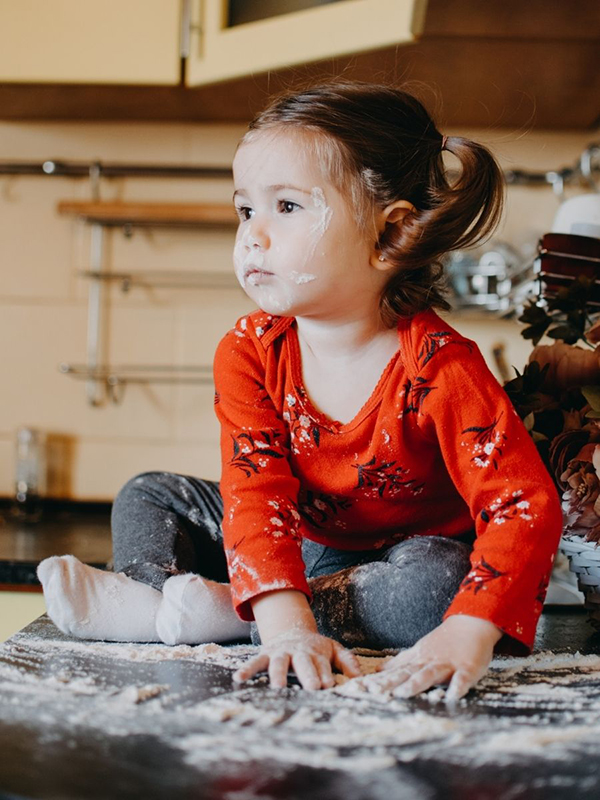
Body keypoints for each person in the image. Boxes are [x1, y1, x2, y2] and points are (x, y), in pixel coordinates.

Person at [37, 81, 562, 703]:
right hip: (287, 542)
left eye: (286, 207)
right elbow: (254, 491)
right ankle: (161, 600)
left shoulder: (441, 369)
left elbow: (523, 505)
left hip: (390, 567)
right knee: (150, 493)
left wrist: (469, 633)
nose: (253, 236)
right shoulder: (249, 349)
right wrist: (285, 628)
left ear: (389, 234)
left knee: (439, 581)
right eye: (245, 210)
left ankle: (225, 614)